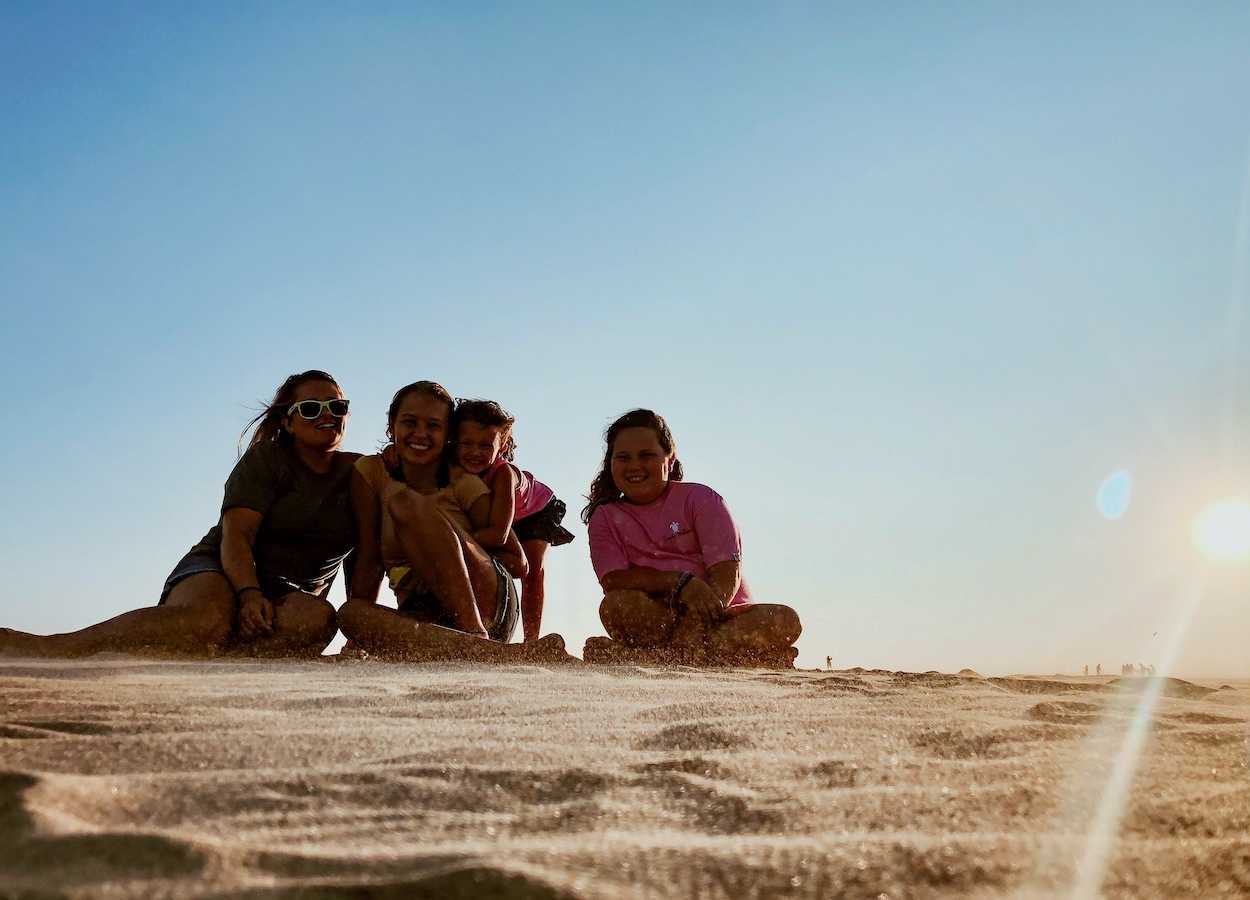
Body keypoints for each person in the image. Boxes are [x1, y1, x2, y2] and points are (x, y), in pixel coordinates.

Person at [0, 371, 357, 658]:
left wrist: (359, 632)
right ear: (289, 422)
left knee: (317, 619)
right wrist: (248, 594)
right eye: (311, 408)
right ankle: (53, 648)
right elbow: (236, 536)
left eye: (336, 407)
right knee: (207, 622)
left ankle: (219, 663)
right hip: (221, 567)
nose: (327, 415)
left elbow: (367, 554)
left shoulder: (364, 474)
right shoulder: (267, 461)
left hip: (289, 595)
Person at [337, 381, 569, 662]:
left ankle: (476, 637)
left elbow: (518, 562)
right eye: (410, 422)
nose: (420, 434)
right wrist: (355, 640)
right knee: (352, 614)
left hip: (486, 604)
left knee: (406, 504)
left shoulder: (462, 480)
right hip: (422, 610)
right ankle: (484, 654)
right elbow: (369, 555)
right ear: (391, 425)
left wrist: (445, 541)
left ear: (447, 433)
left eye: (433, 426)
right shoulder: (372, 472)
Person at [582, 409, 801, 666]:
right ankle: (714, 656)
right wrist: (680, 584)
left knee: (785, 619)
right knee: (615, 605)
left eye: (647, 455)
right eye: (623, 458)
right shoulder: (605, 516)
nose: (634, 466)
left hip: (722, 615)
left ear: (669, 458)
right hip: (659, 618)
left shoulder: (701, 499)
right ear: (611, 463)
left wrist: (700, 616)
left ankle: (665, 656)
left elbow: (726, 572)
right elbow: (613, 580)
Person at [452, 399, 574, 643]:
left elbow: (499, 534)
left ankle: (531, 640)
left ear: (502, 443)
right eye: (466, 443)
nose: (475, 452)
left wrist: (451, 541)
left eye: (486, 446)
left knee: (533, 570)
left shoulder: (503, 475)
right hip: (503, 513)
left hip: (535, 509)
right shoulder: (453, 466)